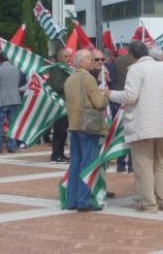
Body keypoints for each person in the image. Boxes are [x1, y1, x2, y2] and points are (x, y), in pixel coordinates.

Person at [107, 42, 163, 213]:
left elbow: (130, 96)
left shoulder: (136, 69)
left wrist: (110, 94)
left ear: (132, 55)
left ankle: (149, 203)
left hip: (144, 124)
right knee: (162, 163)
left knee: (144, 165)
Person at [64, 50, 109, 212]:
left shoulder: (69, 79)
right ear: (82, 62)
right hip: (88, 126)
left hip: (74, 125)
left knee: (75, 163)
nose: (92, 62)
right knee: (87, 164)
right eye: (90, 59)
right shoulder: (88, 78)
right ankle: (83, 201)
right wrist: (106, 94)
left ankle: (72, 200)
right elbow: (99, 103)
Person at [0, 53, 22, 154]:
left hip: (1, 100)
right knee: (13, 125)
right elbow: (17, 83)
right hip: (14, 99)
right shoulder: (16, 69)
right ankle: (12, 147)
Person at [112, 45, 136, 172]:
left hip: (118, 99)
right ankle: (132, 165)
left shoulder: (117, 62)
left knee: (120, 134)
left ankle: (120, 164)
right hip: (132, 101)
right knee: (132, 135)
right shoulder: (135, 64)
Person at [47, 48, 72, 163]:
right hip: (60, 105)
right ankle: (56, 155)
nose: (69, 58)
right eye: (66, 56)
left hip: (67, 105)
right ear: (60, 58)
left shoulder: (67, 69)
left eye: (70, 56)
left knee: (64, 131)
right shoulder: (57, 69)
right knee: (59, 131)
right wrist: (71, 82)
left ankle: (60, 153)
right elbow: (56, 86)